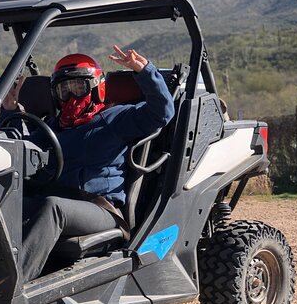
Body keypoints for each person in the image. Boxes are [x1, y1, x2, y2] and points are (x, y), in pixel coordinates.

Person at [12, 45, 175, 281]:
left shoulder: (116, 118)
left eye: (79, 87)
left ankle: (13, 287)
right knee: (6, 202)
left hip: (102, 209)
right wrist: (9, 110)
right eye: (64, 90)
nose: (71, 96)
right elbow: (22, 147)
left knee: (53, 207)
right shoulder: (53, 128)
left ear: (96, 88)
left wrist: (144, 72)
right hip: (60, 202)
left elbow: (162, 113)